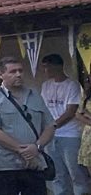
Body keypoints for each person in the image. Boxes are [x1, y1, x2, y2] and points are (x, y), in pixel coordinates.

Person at [0, 56, 54, 195]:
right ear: (1, 74)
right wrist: (23, 151)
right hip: (6, 165)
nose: (18, 74)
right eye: (13, 71)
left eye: (20, 70)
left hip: (35, 164)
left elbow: (50, 126)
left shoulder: (35, 95)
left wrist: (36, 147)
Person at [40, 54, 89, 195]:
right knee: (57, 173)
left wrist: (53, 125)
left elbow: (71, 111)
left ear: (57, 66)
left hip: (69, 135)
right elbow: (43, 108)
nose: (45, 70)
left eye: (47, 67)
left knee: (76, 173)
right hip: (50, 136)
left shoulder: (72, 85)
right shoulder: (46, 85)